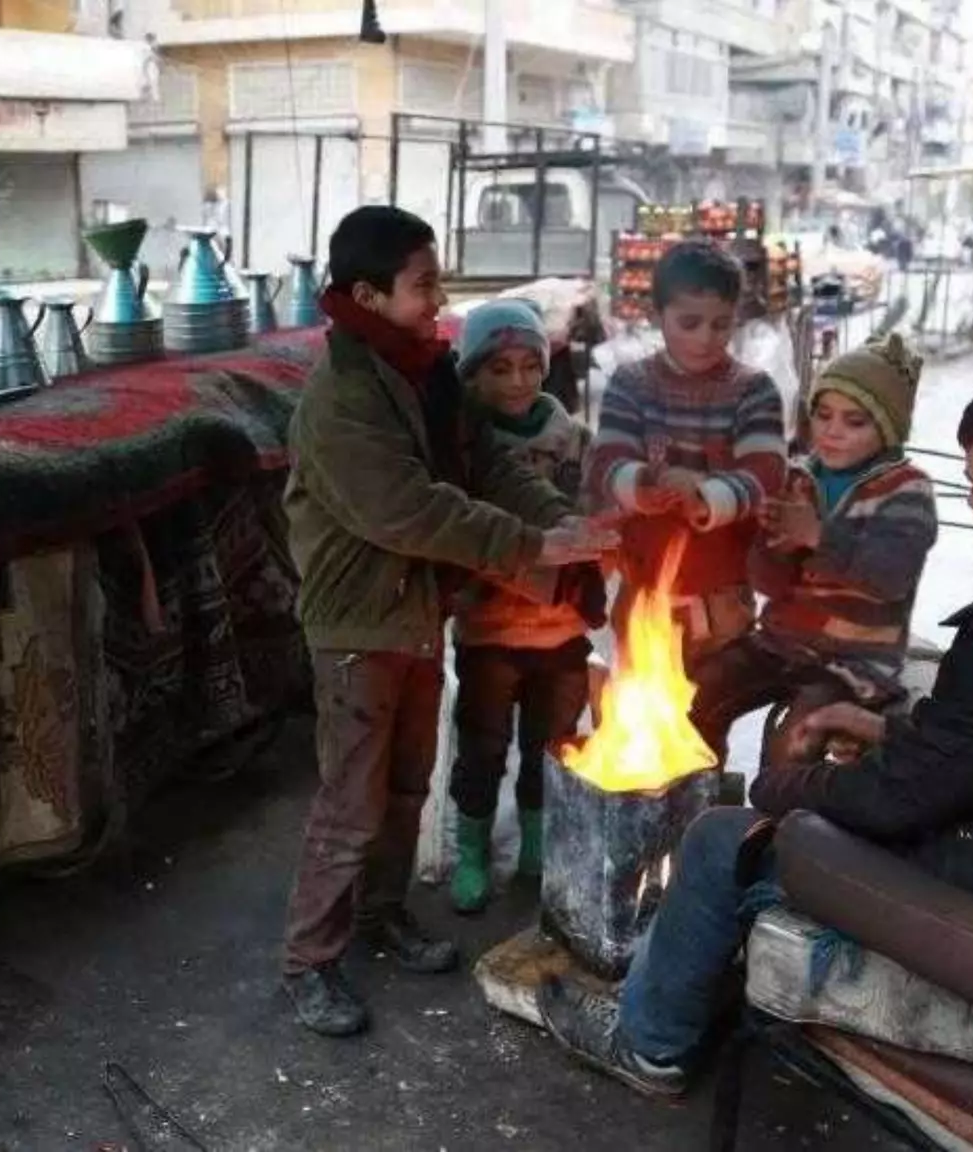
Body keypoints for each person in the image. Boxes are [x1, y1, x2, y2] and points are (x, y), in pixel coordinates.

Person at [537, 366, 973, 1099]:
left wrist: (782, 788)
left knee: (724, 837)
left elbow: (893, 805)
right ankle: (700, 970)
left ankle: (648, 1045)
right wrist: (890, 729)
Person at [279, 206, 616, 1037]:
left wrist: (559, 527)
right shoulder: (343, 396)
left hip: (417, 616)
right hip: (359, 625)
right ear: (368, 293)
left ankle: (379, 916)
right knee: (350, 802)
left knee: (405, 785)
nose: (439, 300)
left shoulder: (424, 372)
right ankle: (307, 962)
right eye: (424, 284)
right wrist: (534, 546)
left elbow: (490, 465)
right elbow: (412, 510)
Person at [688, 333, 938, 764]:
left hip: (855, 663)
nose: (833, 432)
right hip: (782, 643)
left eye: (854, 422)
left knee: (794, 744)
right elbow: (768, 583)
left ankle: (779, 827)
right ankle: (698, 804)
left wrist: (818, 535)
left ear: (888, 426)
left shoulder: (906, 490)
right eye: (823, 415)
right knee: (694, 696)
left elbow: (889, 580)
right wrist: (772, 548)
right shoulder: (800, 478)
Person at [446, 299, 607, 915]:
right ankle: (472, 855)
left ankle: (539, 852)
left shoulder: (576, 444)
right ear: (471, 376)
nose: (516, 381)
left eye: (529, 365)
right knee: (482, 748)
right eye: (498, 368)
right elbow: (459, 538)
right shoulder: (464, 452)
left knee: (555, 746)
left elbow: (598, 524)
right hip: (487, 634)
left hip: (562, 638)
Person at [584, 239, 788, 663]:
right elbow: (606, 465)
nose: (705, 338)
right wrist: (648, 483)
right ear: (658, 316)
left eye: (721, 324)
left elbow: (767, 475)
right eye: (689, 322)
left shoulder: (754, 391)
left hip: (723, 598)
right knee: (641, 719)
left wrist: (707, 496)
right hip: (645, 591)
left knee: (706, 722)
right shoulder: (632, 384)